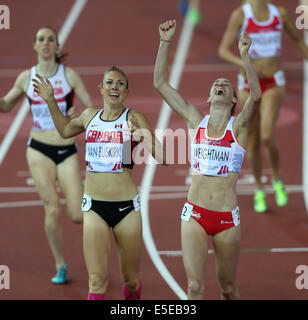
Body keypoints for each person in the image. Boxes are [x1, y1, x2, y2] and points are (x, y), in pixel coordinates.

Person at [32, 65, 167, 300]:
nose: (114, 87)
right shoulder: (88, 116)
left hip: (127, 209)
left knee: (131, 280)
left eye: (120, 83)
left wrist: (141, 137)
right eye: (109, 82)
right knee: (96, 281)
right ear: (101, 88)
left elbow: (164, 157)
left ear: (126, 91)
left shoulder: (134, 118)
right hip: (94, 207)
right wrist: (51, 100)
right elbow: (64, 131)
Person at [154, 20, 261, 299]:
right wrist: (165, 41)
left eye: (226, 84)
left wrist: (245, 56)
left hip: (227, 218)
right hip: (196, 214)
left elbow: (257, 97)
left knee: (227, 288)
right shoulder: (194, 120)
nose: (220, 84)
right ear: (209, 97)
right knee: (194, 287)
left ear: (234, 100)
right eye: (216, 83)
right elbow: (160, 84)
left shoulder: (239, 127)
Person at [0, 26, 95, 284]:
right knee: (51, 208)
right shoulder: (25, 78)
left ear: (57, 47)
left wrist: (80, 115)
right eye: (40, 39)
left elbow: (91, 107)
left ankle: (96, 242)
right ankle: (60, 265)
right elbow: (7, 104)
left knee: (77, 214)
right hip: (38, 148)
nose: (45, 43)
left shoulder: (69, 76)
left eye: (50, 39)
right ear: (34, 46)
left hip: (65, 149)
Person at [218, 0, 308, 212]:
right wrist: (245, 64)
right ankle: (259, 188)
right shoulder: (241, 14)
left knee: (267, 135)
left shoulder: (281, 14)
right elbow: (223, 50)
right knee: (254, 138)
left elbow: (298, 41)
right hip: (248, 84)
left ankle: (277, 180)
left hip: (273, 81)